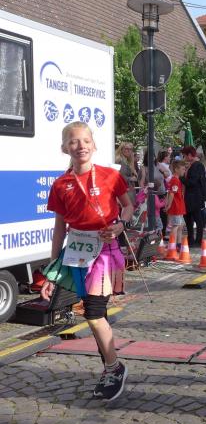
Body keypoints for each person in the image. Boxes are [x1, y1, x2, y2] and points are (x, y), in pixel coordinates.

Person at [41, 122, 133, 401]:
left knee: (93, 312)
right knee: (96, 314)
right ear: (64, 148)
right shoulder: (61, 185)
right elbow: (59, 229)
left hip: (105, 250)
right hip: (76, 255)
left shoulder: (110, 176)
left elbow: (128, 206)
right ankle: (110, 366)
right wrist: (52, 271)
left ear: (94, 145)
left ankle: (114, 368)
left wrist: (120, 225)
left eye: (85, 141)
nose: (80, 146)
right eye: (73, 141)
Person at [179, 146, 206, 247]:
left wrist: (181, 178)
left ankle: (198, 240)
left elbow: (192, 182)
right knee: (188, 219)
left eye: (184, 155)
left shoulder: (197, 165)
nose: (184, 158)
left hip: (195, 197)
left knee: (197, 219)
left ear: (189, 155)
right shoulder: (192, 165)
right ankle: (190, 239)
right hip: (190, 197)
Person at [165, 160, 188, 246]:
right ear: (176, 169)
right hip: (176, 207)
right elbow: (171, 193)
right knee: (175, 226)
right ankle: (172, 245)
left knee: (180, 226)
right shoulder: (175, 180)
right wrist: (169, 205)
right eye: (182, 169)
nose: (184, 171)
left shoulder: (176, 180)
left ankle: (178, 243)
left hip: (179, 207)